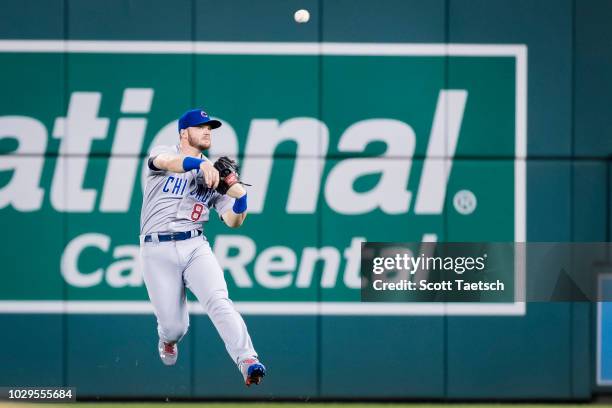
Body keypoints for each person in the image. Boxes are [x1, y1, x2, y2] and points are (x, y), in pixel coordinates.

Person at [139, 108, 265, 386]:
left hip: (195, 245)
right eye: (201, 126)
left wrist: (241, 198)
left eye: (210, 127)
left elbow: (233, 221)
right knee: (175, 327)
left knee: (219, 301)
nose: (207, 130)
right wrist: (198, 165)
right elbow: (166, 162)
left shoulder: (215, 174)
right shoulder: (165, 151)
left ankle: (248, 360)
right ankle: (167, 339)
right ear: (184, 132)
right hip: (156, 248)